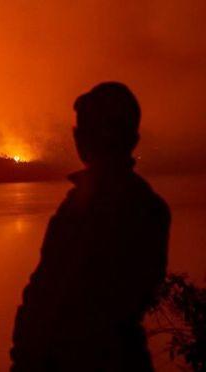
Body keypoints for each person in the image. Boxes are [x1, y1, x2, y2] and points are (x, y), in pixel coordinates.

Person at [10, 82, 170, 371]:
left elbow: (49, 294)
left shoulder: (86, 208)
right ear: (134, 138)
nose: (78, 135)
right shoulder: (150, 208)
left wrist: (28, 357)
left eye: (85, 128)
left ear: (83, 138)